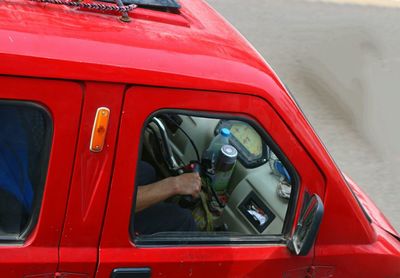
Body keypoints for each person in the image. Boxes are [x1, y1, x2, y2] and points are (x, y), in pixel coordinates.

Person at [132, 161, 201, 235]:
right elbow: (120, 203)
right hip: (119, 216)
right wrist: (176, 184)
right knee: (184, 220)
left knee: (147, 171)